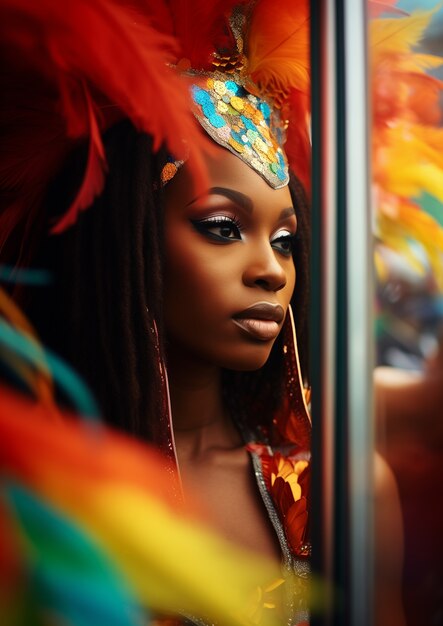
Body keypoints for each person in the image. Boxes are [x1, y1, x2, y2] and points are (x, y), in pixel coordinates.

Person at [1, 1, 405, 624]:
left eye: (285, 241)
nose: (271, 270)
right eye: (222, 227)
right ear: (125, 243)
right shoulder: (36, 504)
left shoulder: (345, 489)